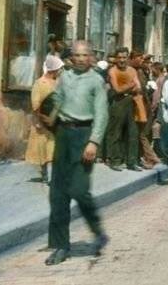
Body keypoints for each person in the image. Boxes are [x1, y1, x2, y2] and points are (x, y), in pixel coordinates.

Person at [44, 40, 108, 266]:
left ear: (91, 57)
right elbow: (58, 100)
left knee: (80, 191)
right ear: (72, 57)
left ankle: (98, 230)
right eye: (77, 55)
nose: (81, 59)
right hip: (64, 134)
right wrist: (50, 113)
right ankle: (61, 246)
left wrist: (93, 142)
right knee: (58, 192)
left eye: (85, 55)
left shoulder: (97, 81)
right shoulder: (65, 77)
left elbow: (102, 114)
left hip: (84, 136)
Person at [26, 55, 63, 183]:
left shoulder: (58, 82)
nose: (60, 72)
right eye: (59, 69)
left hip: (55, 121)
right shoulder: (40, 83)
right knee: (42, 148)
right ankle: (45, 174)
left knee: (52, 148)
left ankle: (52, 175)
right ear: (53, 70)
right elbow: (35, 103)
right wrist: (40, 118)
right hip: (42, 120)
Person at [105, 47, 140, 171]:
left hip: (130, 102)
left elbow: (139, 88)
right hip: (117, 102)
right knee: (115, 132)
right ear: (115, 59)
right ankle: (115, 160)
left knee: (132, 132)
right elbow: (117, 90)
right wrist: (131, 85)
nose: (122, 60)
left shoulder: (132, 70)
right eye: (119, 57)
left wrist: (129, 87)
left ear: (127, 58)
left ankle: (131, 161)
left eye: (124, 57)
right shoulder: (112, 71)